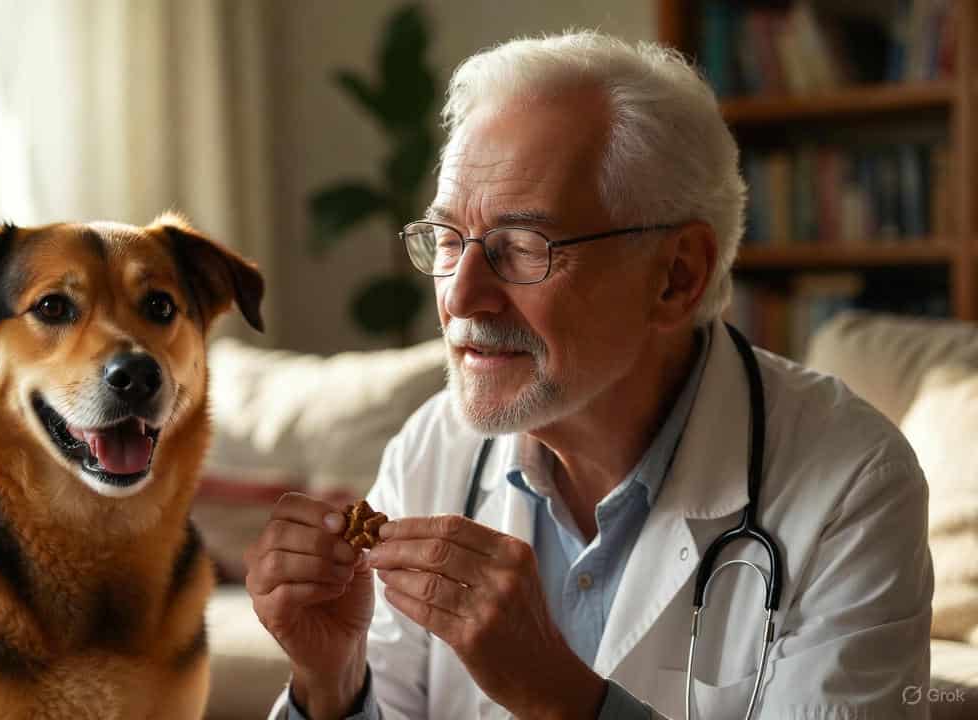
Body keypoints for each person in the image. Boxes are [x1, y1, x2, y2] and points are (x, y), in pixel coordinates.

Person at [245, 31, 932, 719]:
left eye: (522, 248)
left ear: (676, 276)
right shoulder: (434, 448)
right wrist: (330, 682)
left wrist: (557, 694)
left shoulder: (853, 483)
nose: (459, 296)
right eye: (449, 239)